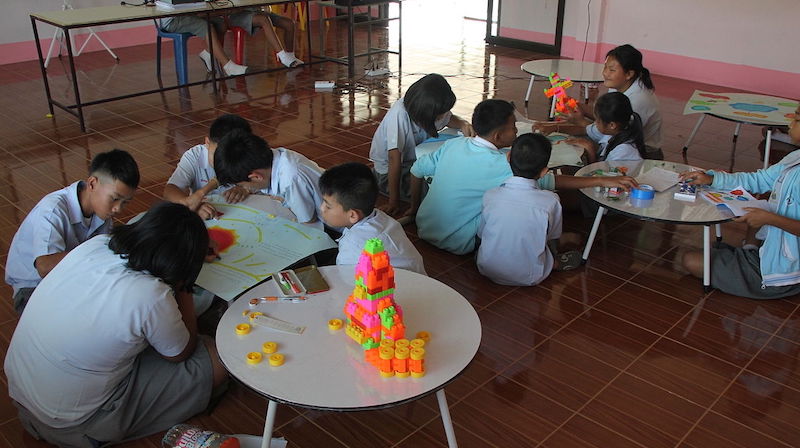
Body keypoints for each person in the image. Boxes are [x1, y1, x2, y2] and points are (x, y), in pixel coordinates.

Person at [4, 202, 228, 447]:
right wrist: (184, 281)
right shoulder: (150, 294)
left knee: (142, 334)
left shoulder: (95, 245)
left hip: (22, 394)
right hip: (70, 423)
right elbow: (181, 352)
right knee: (215, 359)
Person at [408, 98, 639, 255]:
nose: (517, 131)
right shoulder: (501, 164)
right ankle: (553, 245)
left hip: (425, 227)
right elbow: (553, 181)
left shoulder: (455, 145)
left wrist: (413, 210)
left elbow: (416, 170)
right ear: (498, 136)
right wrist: (601, 179)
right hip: (460, 242)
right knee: (521, 199)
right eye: (514, 128)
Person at [680, 103, 800, 299]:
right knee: (758, 205)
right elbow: (759, 180)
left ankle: (756, 266)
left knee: (690, 260)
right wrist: (713, 179)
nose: (790, 123)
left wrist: (769, 219)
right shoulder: (795, 158)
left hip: (785, 272)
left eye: (796, 119)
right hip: (778, 253)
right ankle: (751, 252)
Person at [5, 149, 139, 313]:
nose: (118, 208)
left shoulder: (103, 212)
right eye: (115, 198)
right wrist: (96, 251)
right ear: (92, 184)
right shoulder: (53, 210)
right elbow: (44, 267)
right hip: (33, 288)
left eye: (125, 202)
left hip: (68, 278)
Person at [477, 133, 579, 285]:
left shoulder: (490, 195)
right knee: (546, 243)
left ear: (508, 157)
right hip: (530, 276)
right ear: (544, 172)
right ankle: (555, 264)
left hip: (487, 269)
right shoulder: (550, 201)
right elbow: (552, 236)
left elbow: (482, 232)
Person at [369, 73, 475, 217]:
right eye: (440, 115)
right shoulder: (400, 115)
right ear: (427, 113)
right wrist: (393, 202)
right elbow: (394, 160)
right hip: (390, 173)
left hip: (414, 163)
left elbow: (449, 119)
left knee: (446, 179)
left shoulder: (428, 108)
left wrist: (463, 123)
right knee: (437, 192)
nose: (443, 117)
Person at [537, 44, 663, 159]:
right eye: (605, 67)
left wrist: (562, 126)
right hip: (614, 139)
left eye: (612, 70)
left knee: (576, 148)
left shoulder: (638, 100)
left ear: (629, 74)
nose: (605, 73)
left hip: (642, 155)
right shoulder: (619, 85)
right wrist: (576, 105)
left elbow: (603, 130)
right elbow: (606, 113)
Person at [318, 162, 425, 275]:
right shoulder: (380, 217)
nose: (322, 208)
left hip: (393, 289)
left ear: (353, 215)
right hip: (416, 279)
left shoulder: (353, 247)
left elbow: (347, 280)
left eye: (328, 206)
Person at [214, 129, 324, 225]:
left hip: (334, 226)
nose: (244, 187)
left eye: (241, 185)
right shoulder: (272, 157)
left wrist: (284, 200)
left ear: (256, 177)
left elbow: (308, 220)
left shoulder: (290, 180)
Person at [163, 114, 253, 220]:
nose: (222, 163)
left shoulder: (249, 154)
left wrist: (246, 188)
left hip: (244, 213)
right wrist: (192, 205)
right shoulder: (194, 156)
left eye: (231, 158)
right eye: (217, 156)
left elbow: (263, 183)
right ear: (207, 143)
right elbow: (170, 190)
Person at [567, 92, 646, 162]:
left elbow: (602, 176)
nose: (595, 124)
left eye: (597, 121)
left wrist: (590, 148)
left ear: (612, 125)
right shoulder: (617, 132)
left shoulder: (623, 151)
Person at [159, 16, 248, 76]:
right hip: (172, 20)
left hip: (187, 13)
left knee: (220, 24)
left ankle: (207, 54)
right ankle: (228, 66)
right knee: (206, 27)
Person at [225, 8, 303, 68]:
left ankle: (291, 56)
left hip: (255, 11)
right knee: (264, 19)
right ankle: (282, 56)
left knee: (289, 23)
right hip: (236, 14)